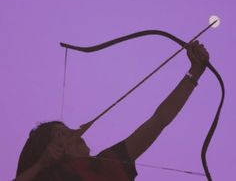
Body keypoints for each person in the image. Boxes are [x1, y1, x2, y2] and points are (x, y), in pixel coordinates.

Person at [14, 40, 209, 181]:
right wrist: (41, 165)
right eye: (61, 134)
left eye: (68, 129)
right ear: (50, 151)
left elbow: (159, 121)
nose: (75, 133)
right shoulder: (54, 176)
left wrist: (194, 74)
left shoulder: (108, 163)